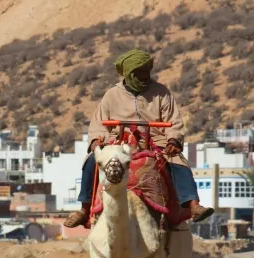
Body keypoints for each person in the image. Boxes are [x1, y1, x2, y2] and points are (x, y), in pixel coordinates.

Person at [64, 49, 214, 228]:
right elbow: (99, 124)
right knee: (91, 161)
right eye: (139, 73)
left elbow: (174, 121)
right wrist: (97, 141)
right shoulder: (112, 95)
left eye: (146, 72)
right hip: (118, 141)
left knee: (178, 162)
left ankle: (193, 205)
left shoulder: (161, 92)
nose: (144, 77)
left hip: (156, 142)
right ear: (128, 73)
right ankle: (84, 208)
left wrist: (173, 140)